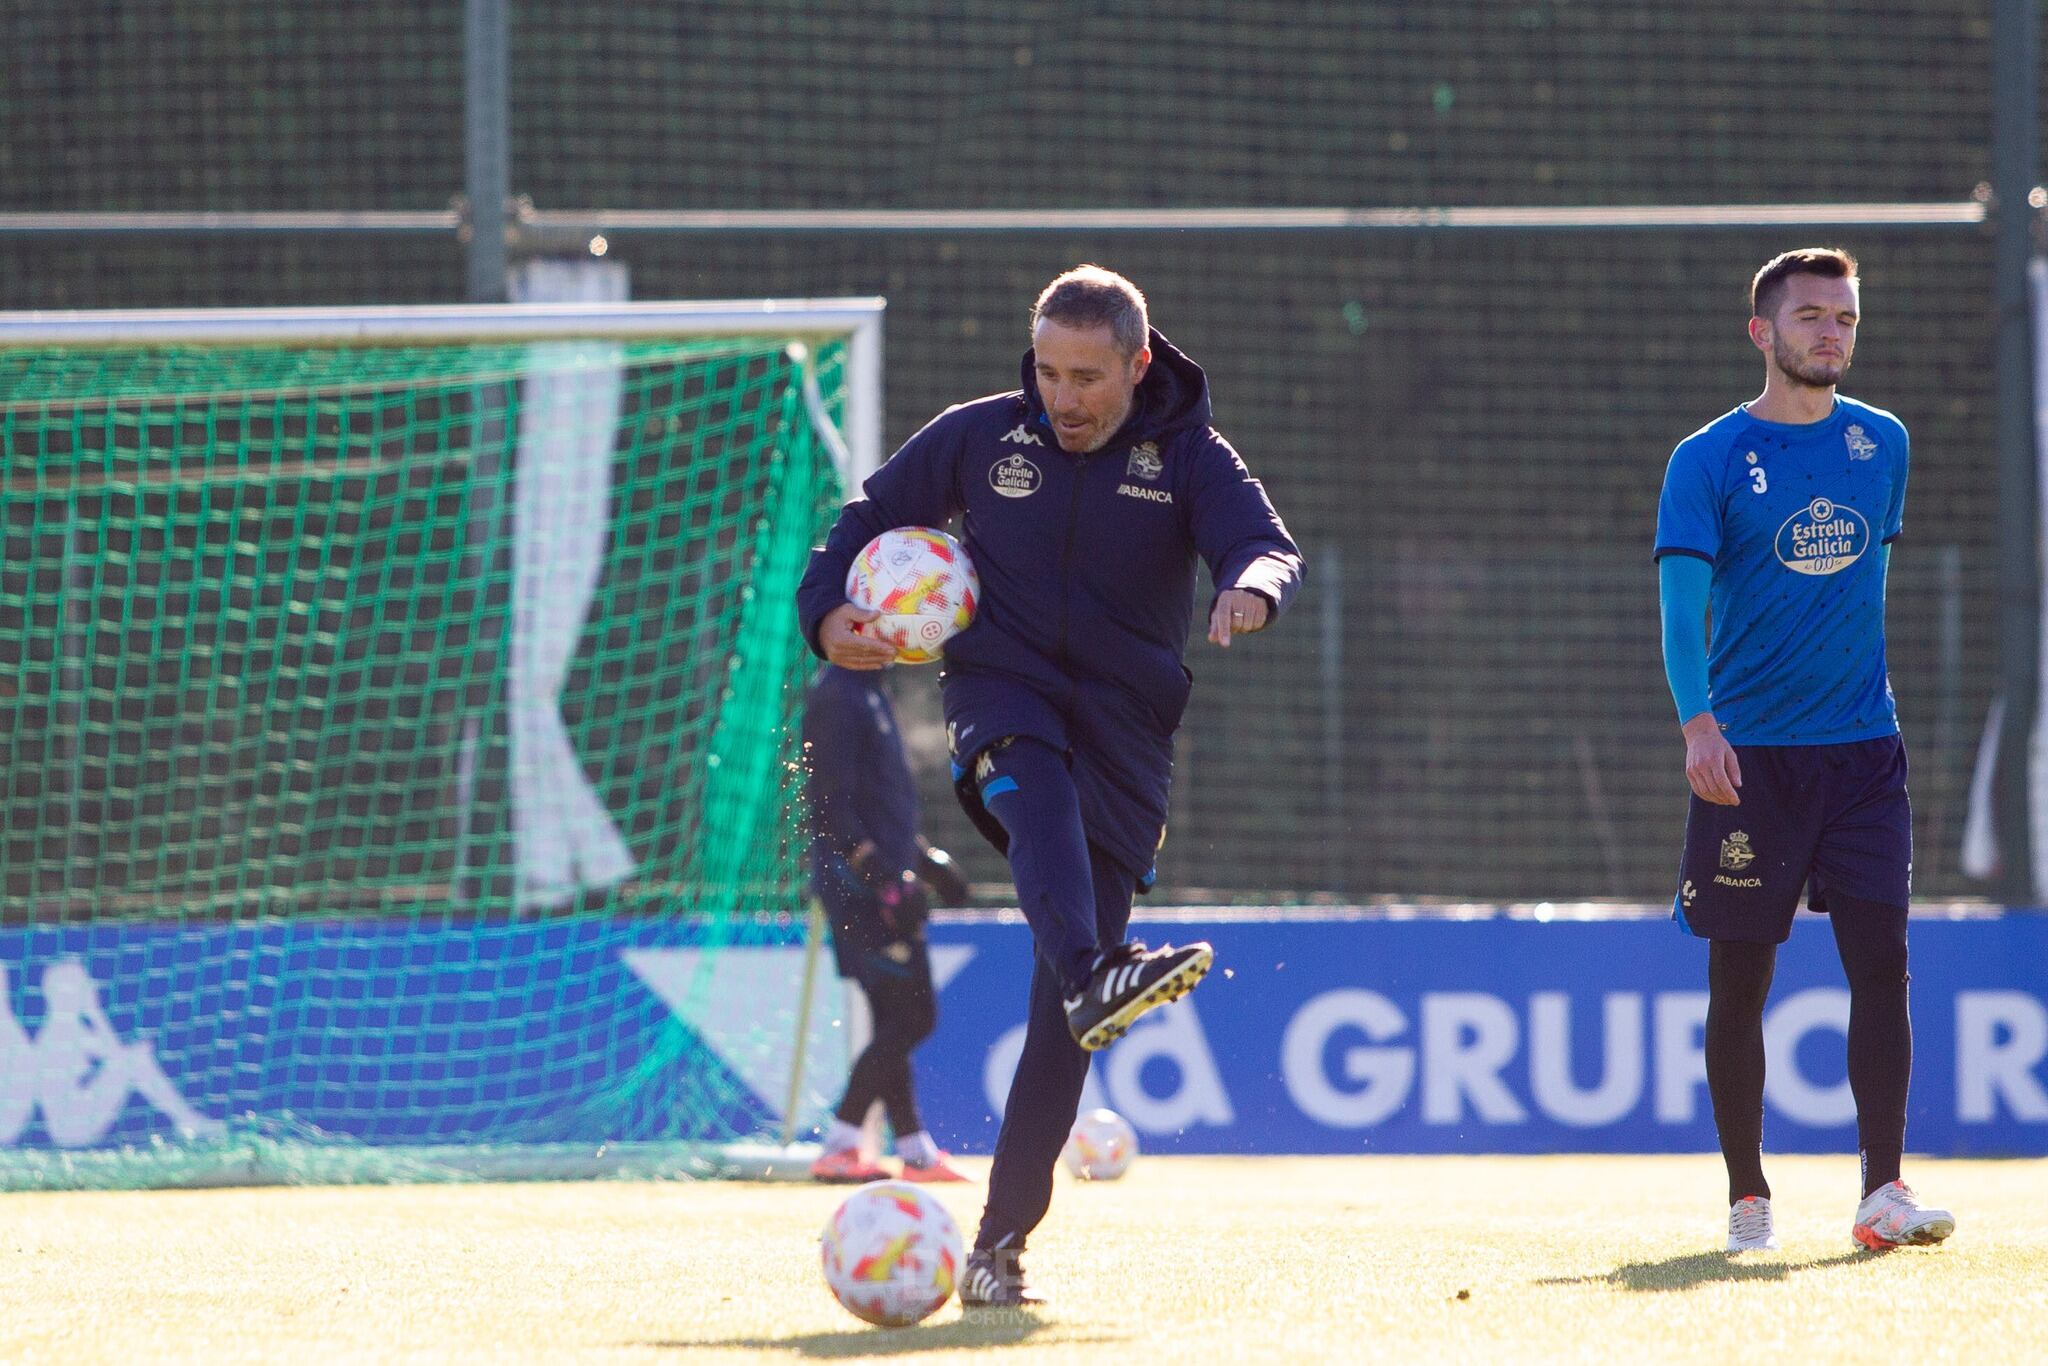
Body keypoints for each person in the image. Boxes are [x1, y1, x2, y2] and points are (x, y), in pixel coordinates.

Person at [796, 265, 1303, 1306]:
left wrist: (1250, 590)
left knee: (1063, 1016)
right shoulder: (981, 436)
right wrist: (825, 614)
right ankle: (1094, 968)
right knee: (1030, 784)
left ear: (1137, 365)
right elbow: (867, 514)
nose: (1062, 397)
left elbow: (1261, 543)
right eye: (1047, 371)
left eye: (1086, 377)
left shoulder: (1189, 457)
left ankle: (997, 1246)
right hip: (1003, 694)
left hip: (1126, 738)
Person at [1655, 247, 1953, 1254]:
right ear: (1761, 332)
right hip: (1751, 761)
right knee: (1739, 982)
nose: (1831, 332)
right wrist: (1699, 722)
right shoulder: (1703, 459)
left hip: (1864, 753)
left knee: (1883, 966)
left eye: (1845, 317)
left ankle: (1881, 1192)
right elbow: (1678, 609)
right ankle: (1746, 1195)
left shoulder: (1883, 442)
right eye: (1811, 316)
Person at [801, 661, 974, 1184]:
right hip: (861, 892)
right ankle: (842, 1141)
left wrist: (922, 860)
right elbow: (829, 805)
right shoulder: (837, 696)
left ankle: (914, 1150)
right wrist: (883, 879)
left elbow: (878, 802)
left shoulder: (870, 692)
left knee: (893, 1017)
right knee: (915, 1016)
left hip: (881, 881)